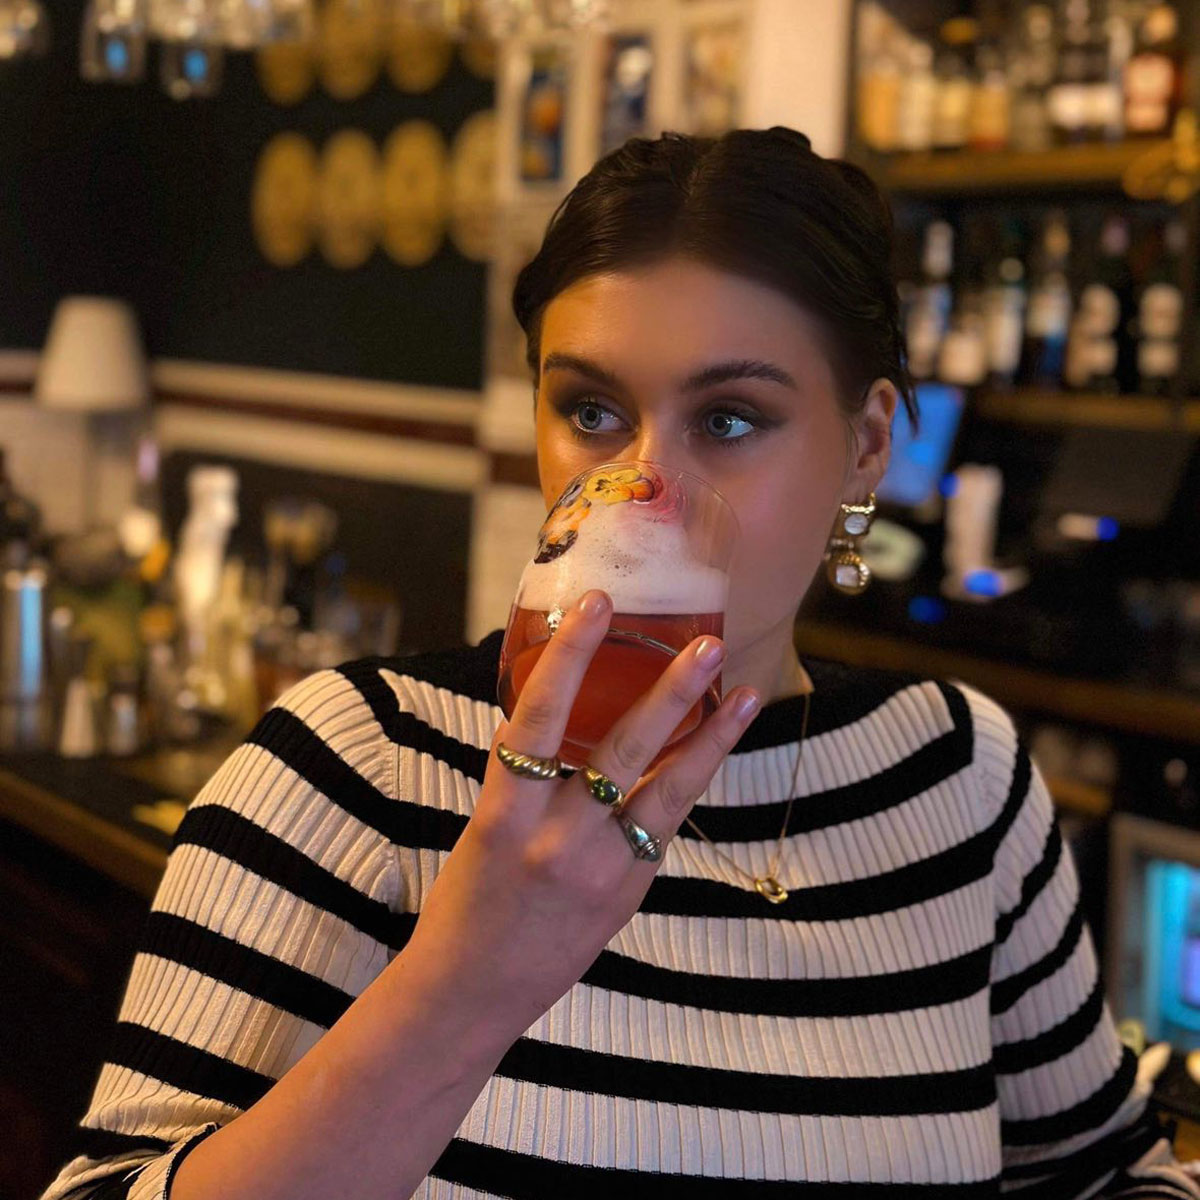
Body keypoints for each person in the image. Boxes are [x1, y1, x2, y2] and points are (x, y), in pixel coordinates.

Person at [43, 128, 1199, 1199]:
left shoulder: (963, 778)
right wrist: (468, 981)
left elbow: (1113, 1174)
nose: (642, 493)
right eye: (591, 411)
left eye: (731, 421)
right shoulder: (352, 769)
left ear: (867, 448)